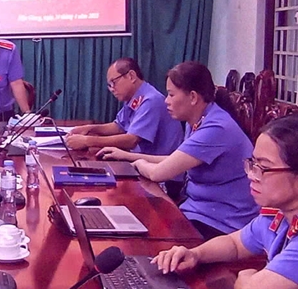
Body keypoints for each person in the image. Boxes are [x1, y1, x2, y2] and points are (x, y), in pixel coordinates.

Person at [153, 114, 298, 289]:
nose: (251, 175)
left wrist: (246, 275)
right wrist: (195, 254)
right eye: (253, 164)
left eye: (264, 168)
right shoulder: (278, 216)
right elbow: (235, 244)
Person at [100, 61, 258, 238]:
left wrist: (137, 163)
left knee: (145, 229)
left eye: (171, 95)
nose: (166, 101)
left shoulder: (216, 128)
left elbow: (158, 173)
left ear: (193, 97)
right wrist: (127, 156)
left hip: (223, 222)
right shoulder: (197, 120)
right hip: (198, 209)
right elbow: (174, 160)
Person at [66, 57, 183, 155]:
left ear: (131, 76)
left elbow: (131, 140)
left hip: (161, 170)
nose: (112, 89)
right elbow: (118, 126)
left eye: (114, 82)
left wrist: (87, 141)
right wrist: (90, 128)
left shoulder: (151, 100)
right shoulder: (134, 98)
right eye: (109, 85)